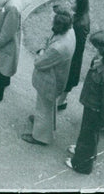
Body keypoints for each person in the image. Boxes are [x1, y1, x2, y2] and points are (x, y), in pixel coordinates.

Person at [65, 31, 104, 174]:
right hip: (91, 105)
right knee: (88, 135)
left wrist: (102, 121)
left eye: (97, 47)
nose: (95, 50)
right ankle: (83, 152)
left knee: (88, 136)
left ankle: (81, 166)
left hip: (96, 110)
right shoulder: (103, 60)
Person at [23, 12, 76, 146]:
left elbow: (40, 63)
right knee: (47, 106)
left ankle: (41, 136)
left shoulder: (58, 48)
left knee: (44, 108)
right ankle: (45, 125)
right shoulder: (70, 33)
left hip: (49, 81)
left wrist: (41, 52)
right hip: (58, 77)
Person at [57, 0, 91, 110]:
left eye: (72, 2)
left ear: (79, 5)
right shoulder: (81, 15)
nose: (69, 4)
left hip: (73, 56)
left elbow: (78, 45)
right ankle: (61, 101)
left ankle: (59, 102)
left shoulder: (80, 24)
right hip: (73, 53)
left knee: (67, 79)